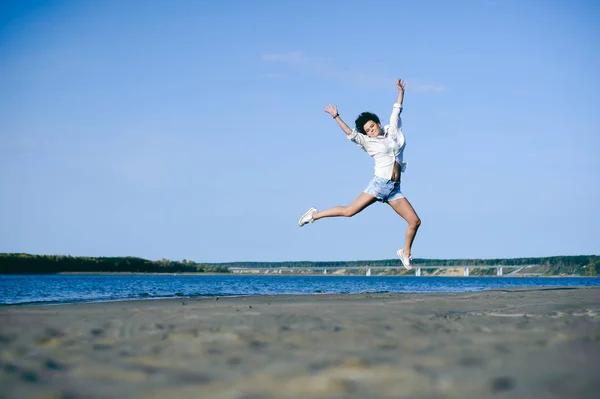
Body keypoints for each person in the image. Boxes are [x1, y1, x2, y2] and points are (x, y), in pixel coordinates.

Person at [298, 78, 421, 269]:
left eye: (372, 126)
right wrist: (336, 116)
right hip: (380, 184)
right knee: (349, 212)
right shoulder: (368, 142)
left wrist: (401, 92)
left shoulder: (393, 131)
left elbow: (397, 109)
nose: (371, 131)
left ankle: (405, 252)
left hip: (394, 189)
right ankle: (314, 215)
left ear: (378, 124)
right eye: (367, 130)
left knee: (414, 221)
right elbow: (351, 134)